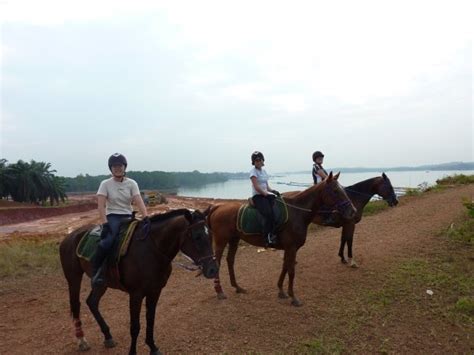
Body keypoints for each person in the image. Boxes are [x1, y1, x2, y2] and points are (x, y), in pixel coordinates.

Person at [91, 153, 148, 287]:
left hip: (128, 216)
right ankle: (96, 272)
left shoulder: (132, 183)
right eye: (115, 166)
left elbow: (138, 200)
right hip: (113, 217)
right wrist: (105, 223)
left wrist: (146, 217)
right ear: (111, 168)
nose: (118, 168)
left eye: (120, 166)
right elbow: (101, 206)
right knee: (108, 241)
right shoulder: (105, 184)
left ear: (124, 167)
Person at [249, 151, 280, 246]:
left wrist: (273, 191)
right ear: (253, 162)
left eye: (259, 160)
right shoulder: (253, 172)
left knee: (277, 209)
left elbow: (266, 186)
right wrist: (266, 194)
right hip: (258, 196)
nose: (258, 162)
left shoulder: (264, 172)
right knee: (268, 213)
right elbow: (257, 186)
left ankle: (275, 231)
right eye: (256, 160)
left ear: (263, 160)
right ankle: (267, 237)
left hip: (265, 194)